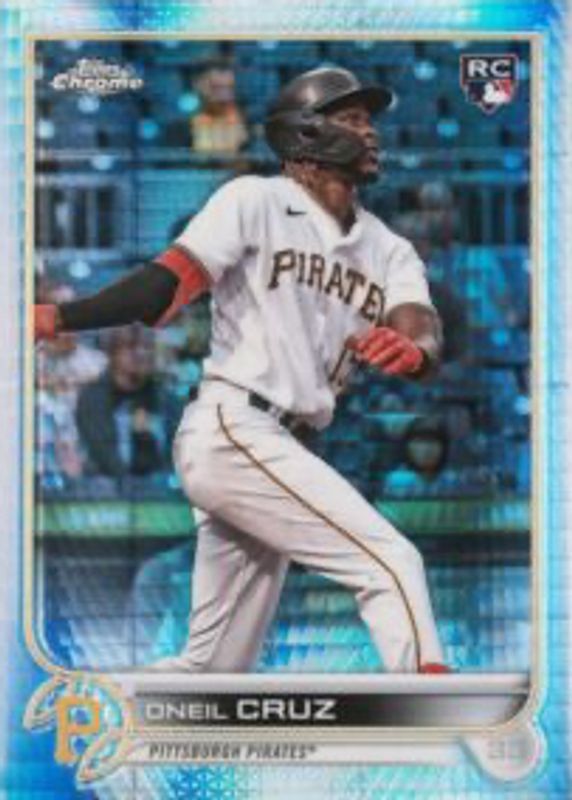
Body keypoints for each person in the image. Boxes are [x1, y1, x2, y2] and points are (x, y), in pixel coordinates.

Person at [35, 66, 450, 674]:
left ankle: (118, 713)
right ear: (305, 133)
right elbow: (163, 289)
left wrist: (416, 350)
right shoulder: (254, 200)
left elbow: (420, 322)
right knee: (392, 563)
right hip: (236, 426)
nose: (371, 133)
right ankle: (431, 697)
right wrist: (58, 318)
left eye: (371, 121)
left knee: (213, 670)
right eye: (353, 119)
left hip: (284, 447)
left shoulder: (389, 247)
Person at [76, 326, 180, 479]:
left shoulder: (165, 397)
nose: (141, 353)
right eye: (131, 346)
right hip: (106, 487)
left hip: (160, 487)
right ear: (112, 353)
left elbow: (176, 454)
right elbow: (104, 456)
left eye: (148, 347)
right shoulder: (93, 397)